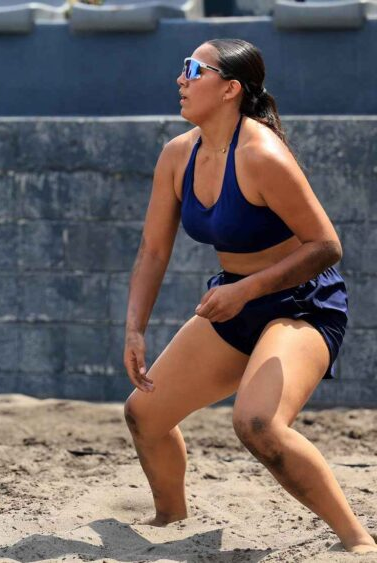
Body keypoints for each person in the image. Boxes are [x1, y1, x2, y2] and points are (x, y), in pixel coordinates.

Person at [122, 39, 375, 552]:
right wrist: (134, 329)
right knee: (143, 415)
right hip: (237, 300)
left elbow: (326, 246)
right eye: (183, 68)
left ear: (230, 89)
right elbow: (153, 249)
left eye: (194, 69)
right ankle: (171, 520)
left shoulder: (261, 154)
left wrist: (247, 290)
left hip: (302, 304)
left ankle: (358, 541)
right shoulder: (177, 155)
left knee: (258, 424)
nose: (181, 78)